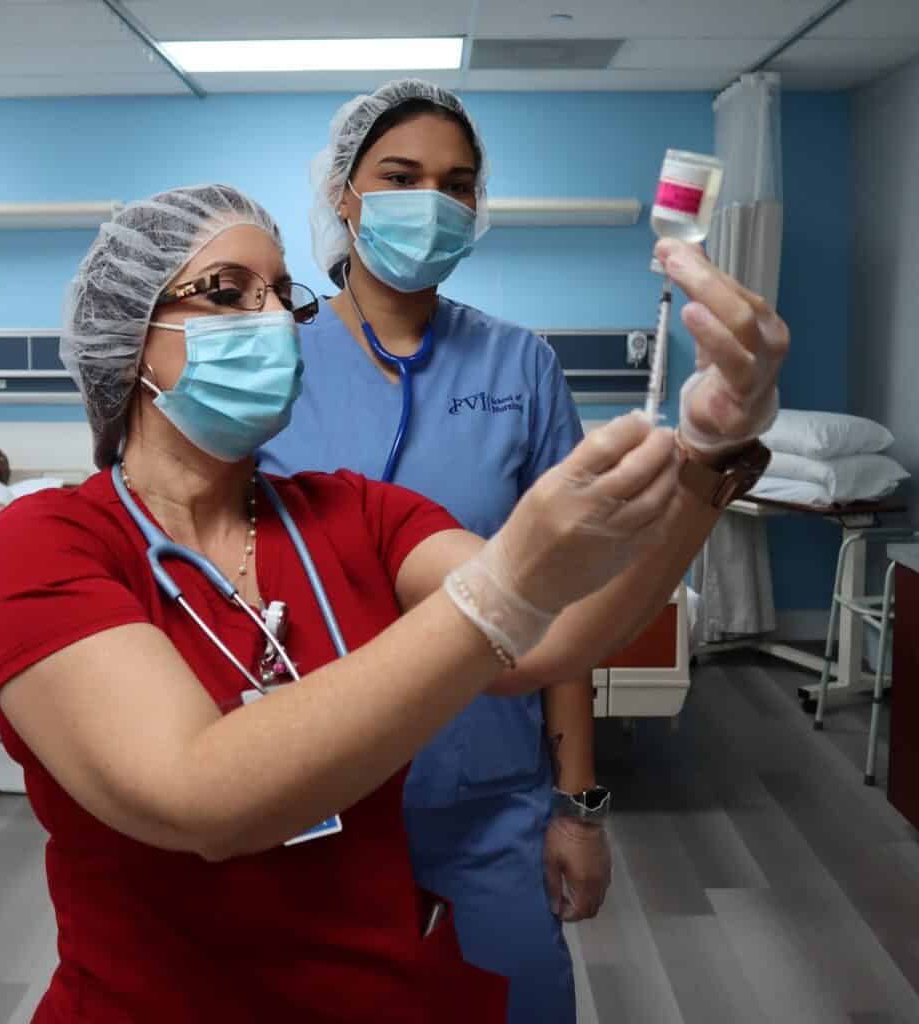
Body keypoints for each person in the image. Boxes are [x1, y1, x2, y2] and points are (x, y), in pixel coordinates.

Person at [0, 183, 785, 1023]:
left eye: (281, 294)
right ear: (126, 341)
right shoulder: (50, 543)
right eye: (227, 292)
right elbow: (199, 798)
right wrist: (505, 584)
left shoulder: (354, 512)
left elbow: (559, 635)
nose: (275, 319)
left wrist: (705, 456)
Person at [258, 78, 785, 1021]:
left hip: (487, 788)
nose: (432, 202)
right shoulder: (273, 364)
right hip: (313, 792)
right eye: (401, 177)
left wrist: (577, 804)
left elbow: (565, 603)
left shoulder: (521, 366)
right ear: (343, 194)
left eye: (458, 184)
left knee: (516, 998)